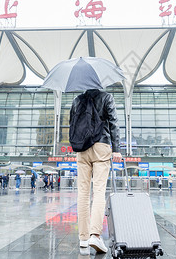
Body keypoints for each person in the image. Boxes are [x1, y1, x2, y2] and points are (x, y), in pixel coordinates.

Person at [71, 88, 121, 253]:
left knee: (83, 193)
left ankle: (83, 239)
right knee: (99, 191)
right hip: (101, 145)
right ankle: (95, 235)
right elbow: (113, 122)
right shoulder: (106, 97)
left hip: (82, 149)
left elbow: (72, 124)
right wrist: (117, 149)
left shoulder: (77, 100)